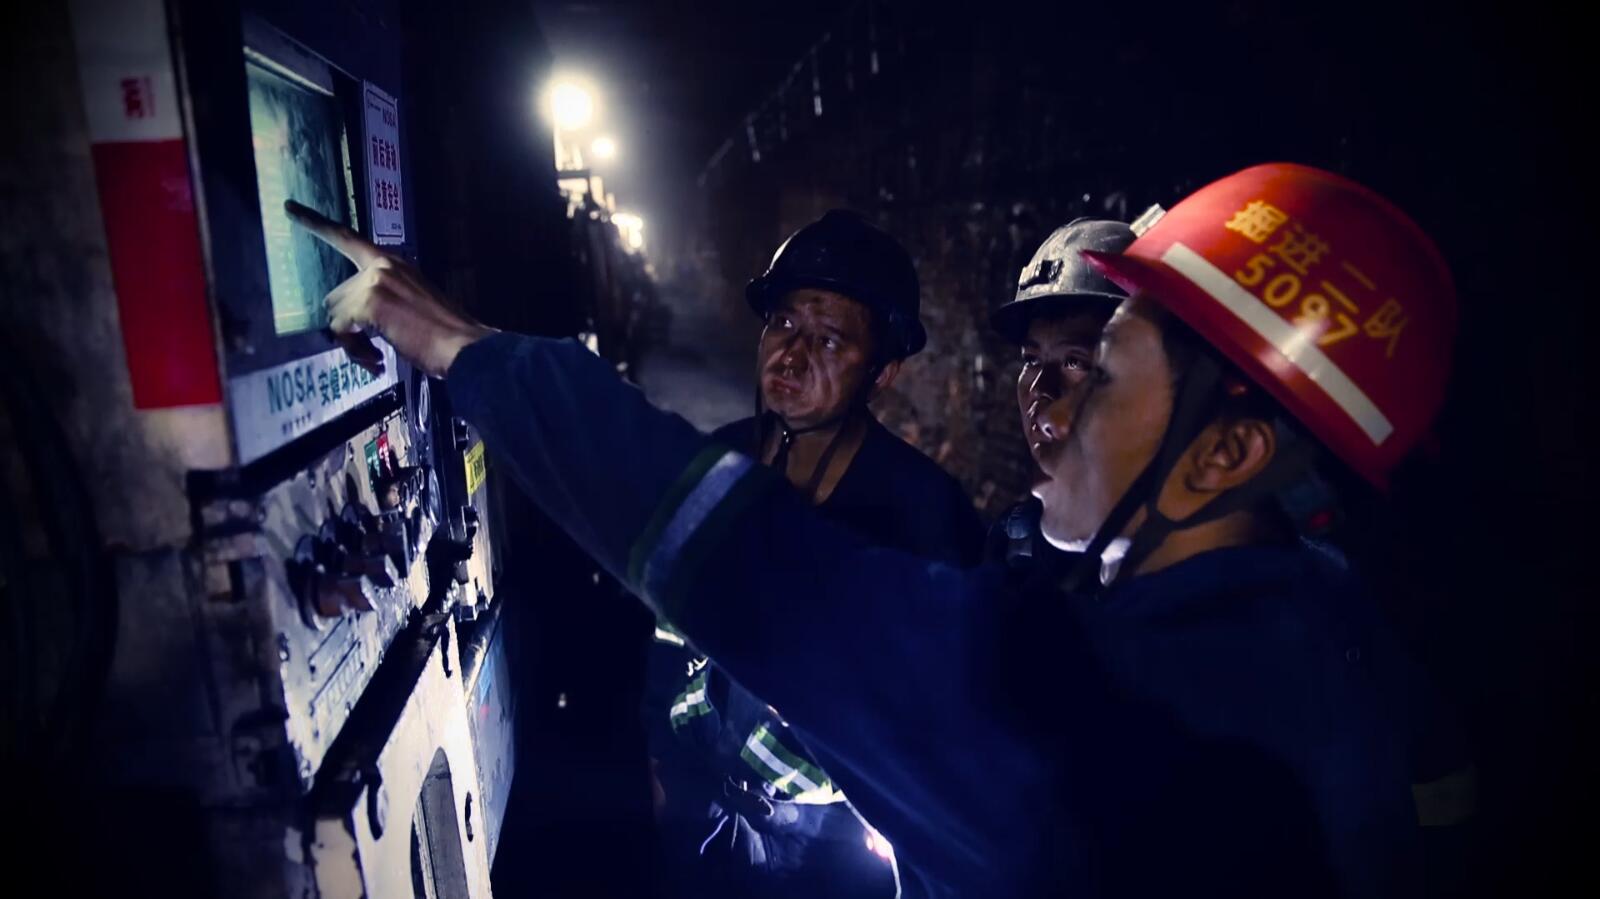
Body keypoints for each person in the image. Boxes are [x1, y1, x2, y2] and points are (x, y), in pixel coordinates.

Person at [286, 161, 1459, 896]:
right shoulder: (1323, 631)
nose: (1053, 411)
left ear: (1224, 455)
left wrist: (455, 344)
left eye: (1100, 375)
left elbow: (752, 567)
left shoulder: (1077, 697)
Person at [645, 210, 983, 899]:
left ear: (882, 372)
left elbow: (944, 708)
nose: (792, 356)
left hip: (841, 845)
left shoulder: (924, 509)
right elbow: (663, 621)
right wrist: (661, 758)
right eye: (783, 324)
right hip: (704, 810)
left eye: (829, 340)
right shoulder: (717, 461)